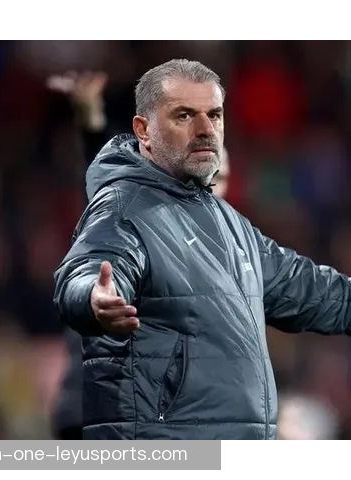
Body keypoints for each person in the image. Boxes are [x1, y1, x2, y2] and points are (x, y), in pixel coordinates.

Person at [52, 59, 351, 440]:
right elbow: (87, 270)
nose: (205, 128)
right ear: (143, 130)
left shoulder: (231, 225)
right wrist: (93, 297)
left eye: (214, 114)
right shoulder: (126, 206)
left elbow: (310, 290)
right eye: (184, 115)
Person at [47, 70, 231, 439]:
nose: (210, 183)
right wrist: (91, 122)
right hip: (99, 411)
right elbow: (105, 178)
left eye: (219, 176)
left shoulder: (226, 255)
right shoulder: (134, 212)